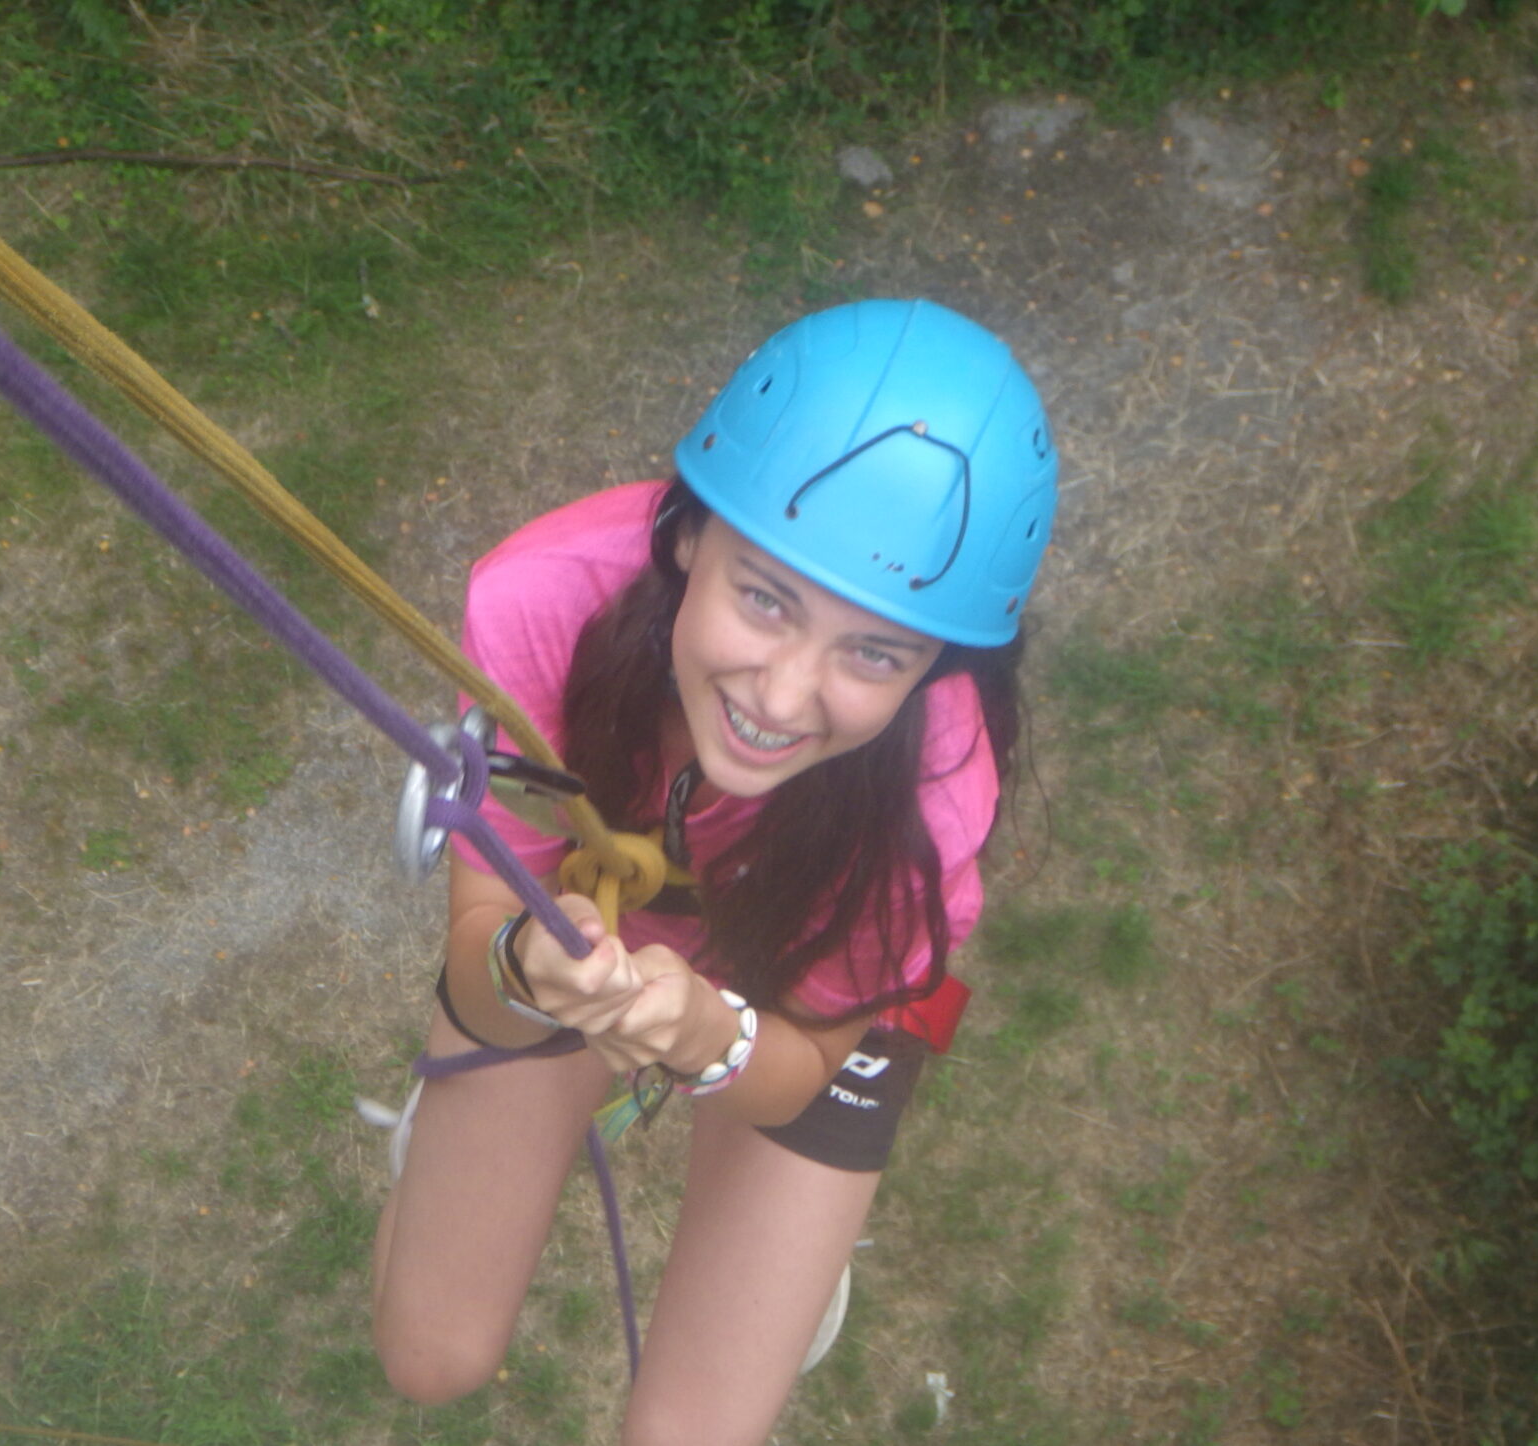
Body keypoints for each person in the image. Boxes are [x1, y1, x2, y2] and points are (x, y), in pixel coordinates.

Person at [369, 299, 1058, 1445]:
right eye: (765, 597)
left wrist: (703, 1038)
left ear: (936, 664)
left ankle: (787, 1239)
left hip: (797, 1008)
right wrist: (528, 967)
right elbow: (484, 950)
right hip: (590, 917)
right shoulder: (542, 602)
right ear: (688, 535)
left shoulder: (932, 796)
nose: (780, 698)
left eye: (873, 651)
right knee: (429, 1358)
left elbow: (794, 1073)